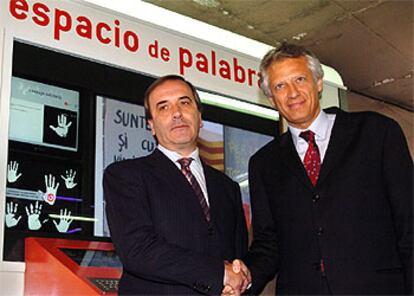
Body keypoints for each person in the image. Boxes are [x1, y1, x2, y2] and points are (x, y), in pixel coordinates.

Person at [238, 43, 413, 295]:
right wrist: (244, 279)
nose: (293, 92)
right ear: (271, 98)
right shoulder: (263, 164)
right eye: (280, 86)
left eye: (300, 79)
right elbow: (268, 244)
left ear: (318, 83)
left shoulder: (377, 132)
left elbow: (409, 223)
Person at [103, 75, 250, 295]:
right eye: (163, 107)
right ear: (151, 125)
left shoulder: (227, 187)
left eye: (185, 102)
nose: (177, 113)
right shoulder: (126, 176)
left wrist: (238, 281)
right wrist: (219, 273)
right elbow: (138, 250)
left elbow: (238, 257)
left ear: (199, 117)